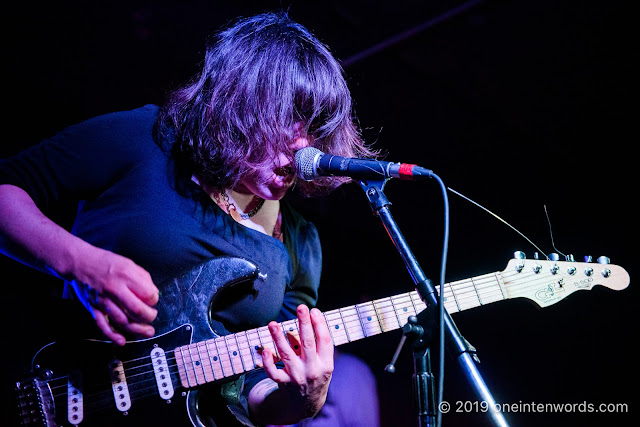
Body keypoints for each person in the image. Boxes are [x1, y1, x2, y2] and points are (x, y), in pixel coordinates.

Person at [0, 11, 377, 427]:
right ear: (241, 102)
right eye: (289, 118)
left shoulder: (300, 243)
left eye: (316, 127)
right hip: (44, 385)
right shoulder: (146, 138)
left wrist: (302, 400)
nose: (303, 145)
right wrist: (80, 263)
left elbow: (253, 392)